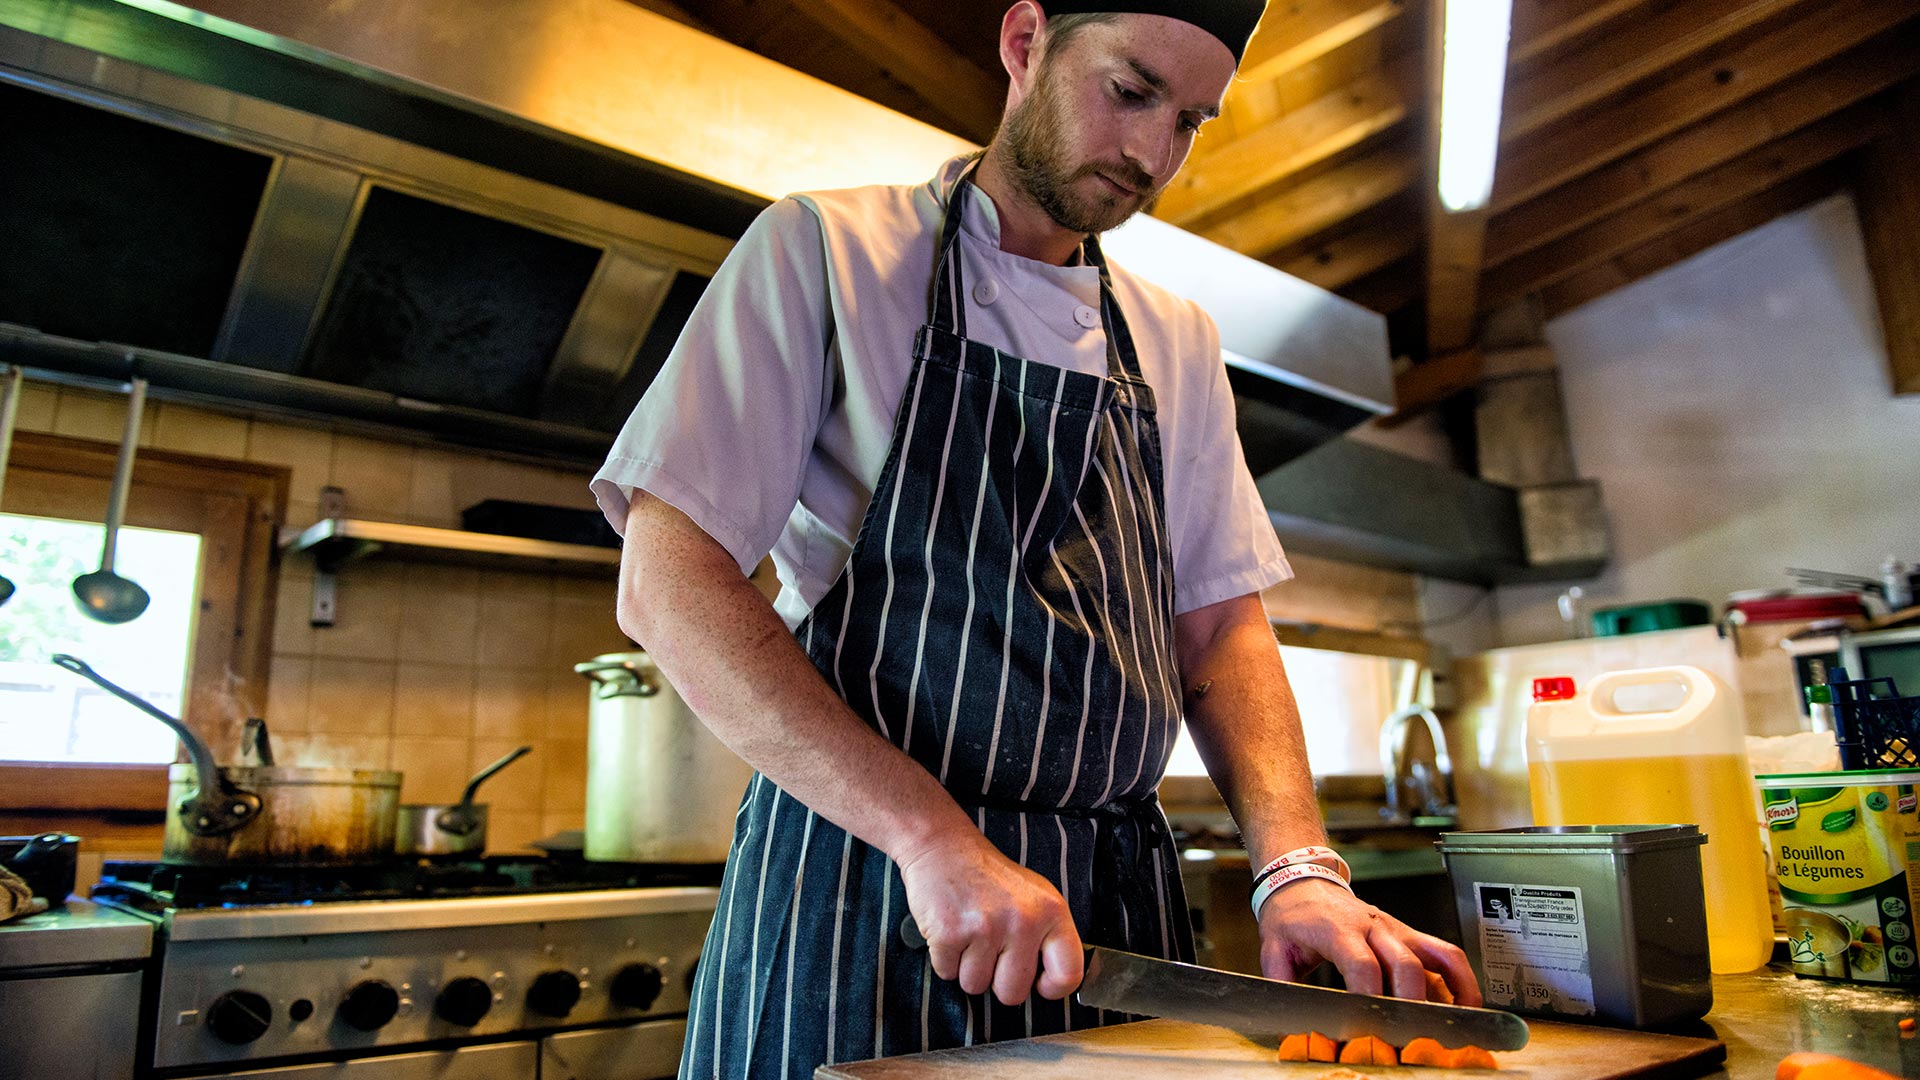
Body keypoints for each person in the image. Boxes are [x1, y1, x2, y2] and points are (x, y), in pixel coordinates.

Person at [591, 3, 1479, 1076]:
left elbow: (1219, 629)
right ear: (1024, 44)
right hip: (867, 894)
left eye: (1192, 119)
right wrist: (932, 839)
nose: (1155, 153)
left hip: (1110, 918)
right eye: (1132, 90)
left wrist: (1298, 868)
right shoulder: (827, 251)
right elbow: (668, 582)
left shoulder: (1176, 341)